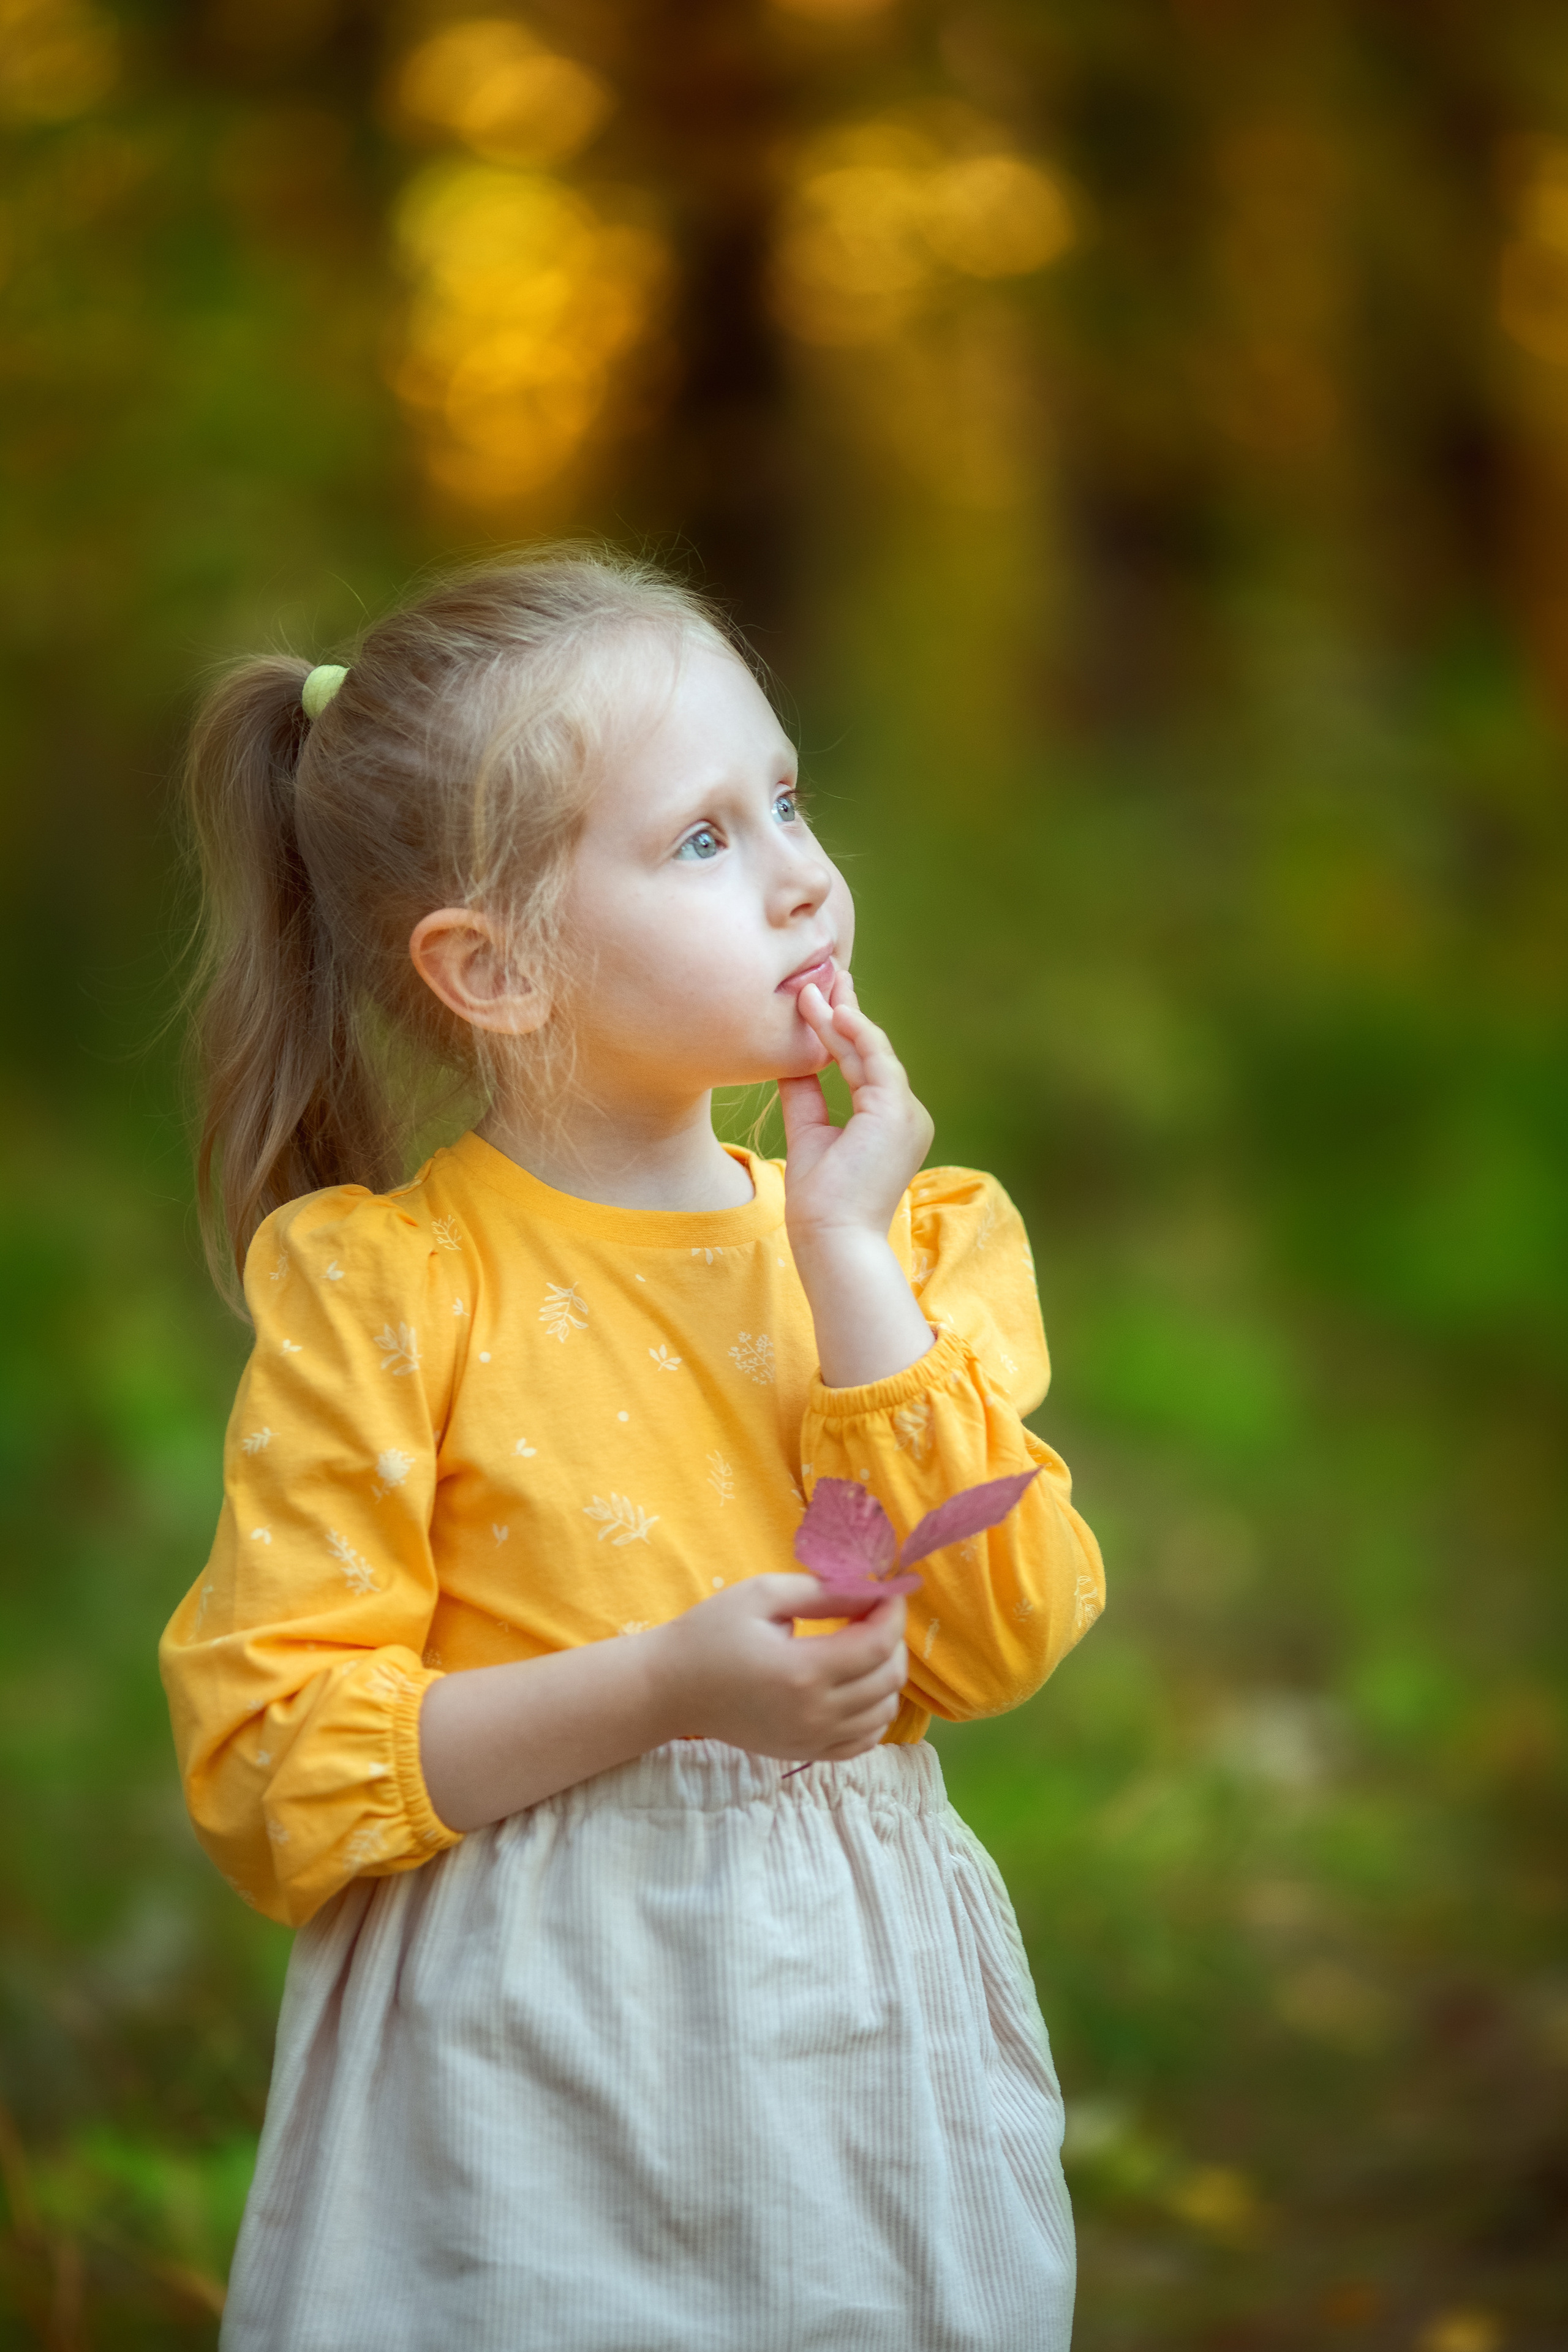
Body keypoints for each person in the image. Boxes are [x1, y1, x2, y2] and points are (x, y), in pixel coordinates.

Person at [159, 549, 1106, 2352]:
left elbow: (999, 1634)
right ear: (495, 967)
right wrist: (661, 1685)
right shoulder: (395, 1291)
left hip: (853, 2046)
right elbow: (276, 1769)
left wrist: (836, 1250)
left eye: (789, 799)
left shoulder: (908, 1251)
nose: (803, 877)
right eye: (702, 842)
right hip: (517, 2060)